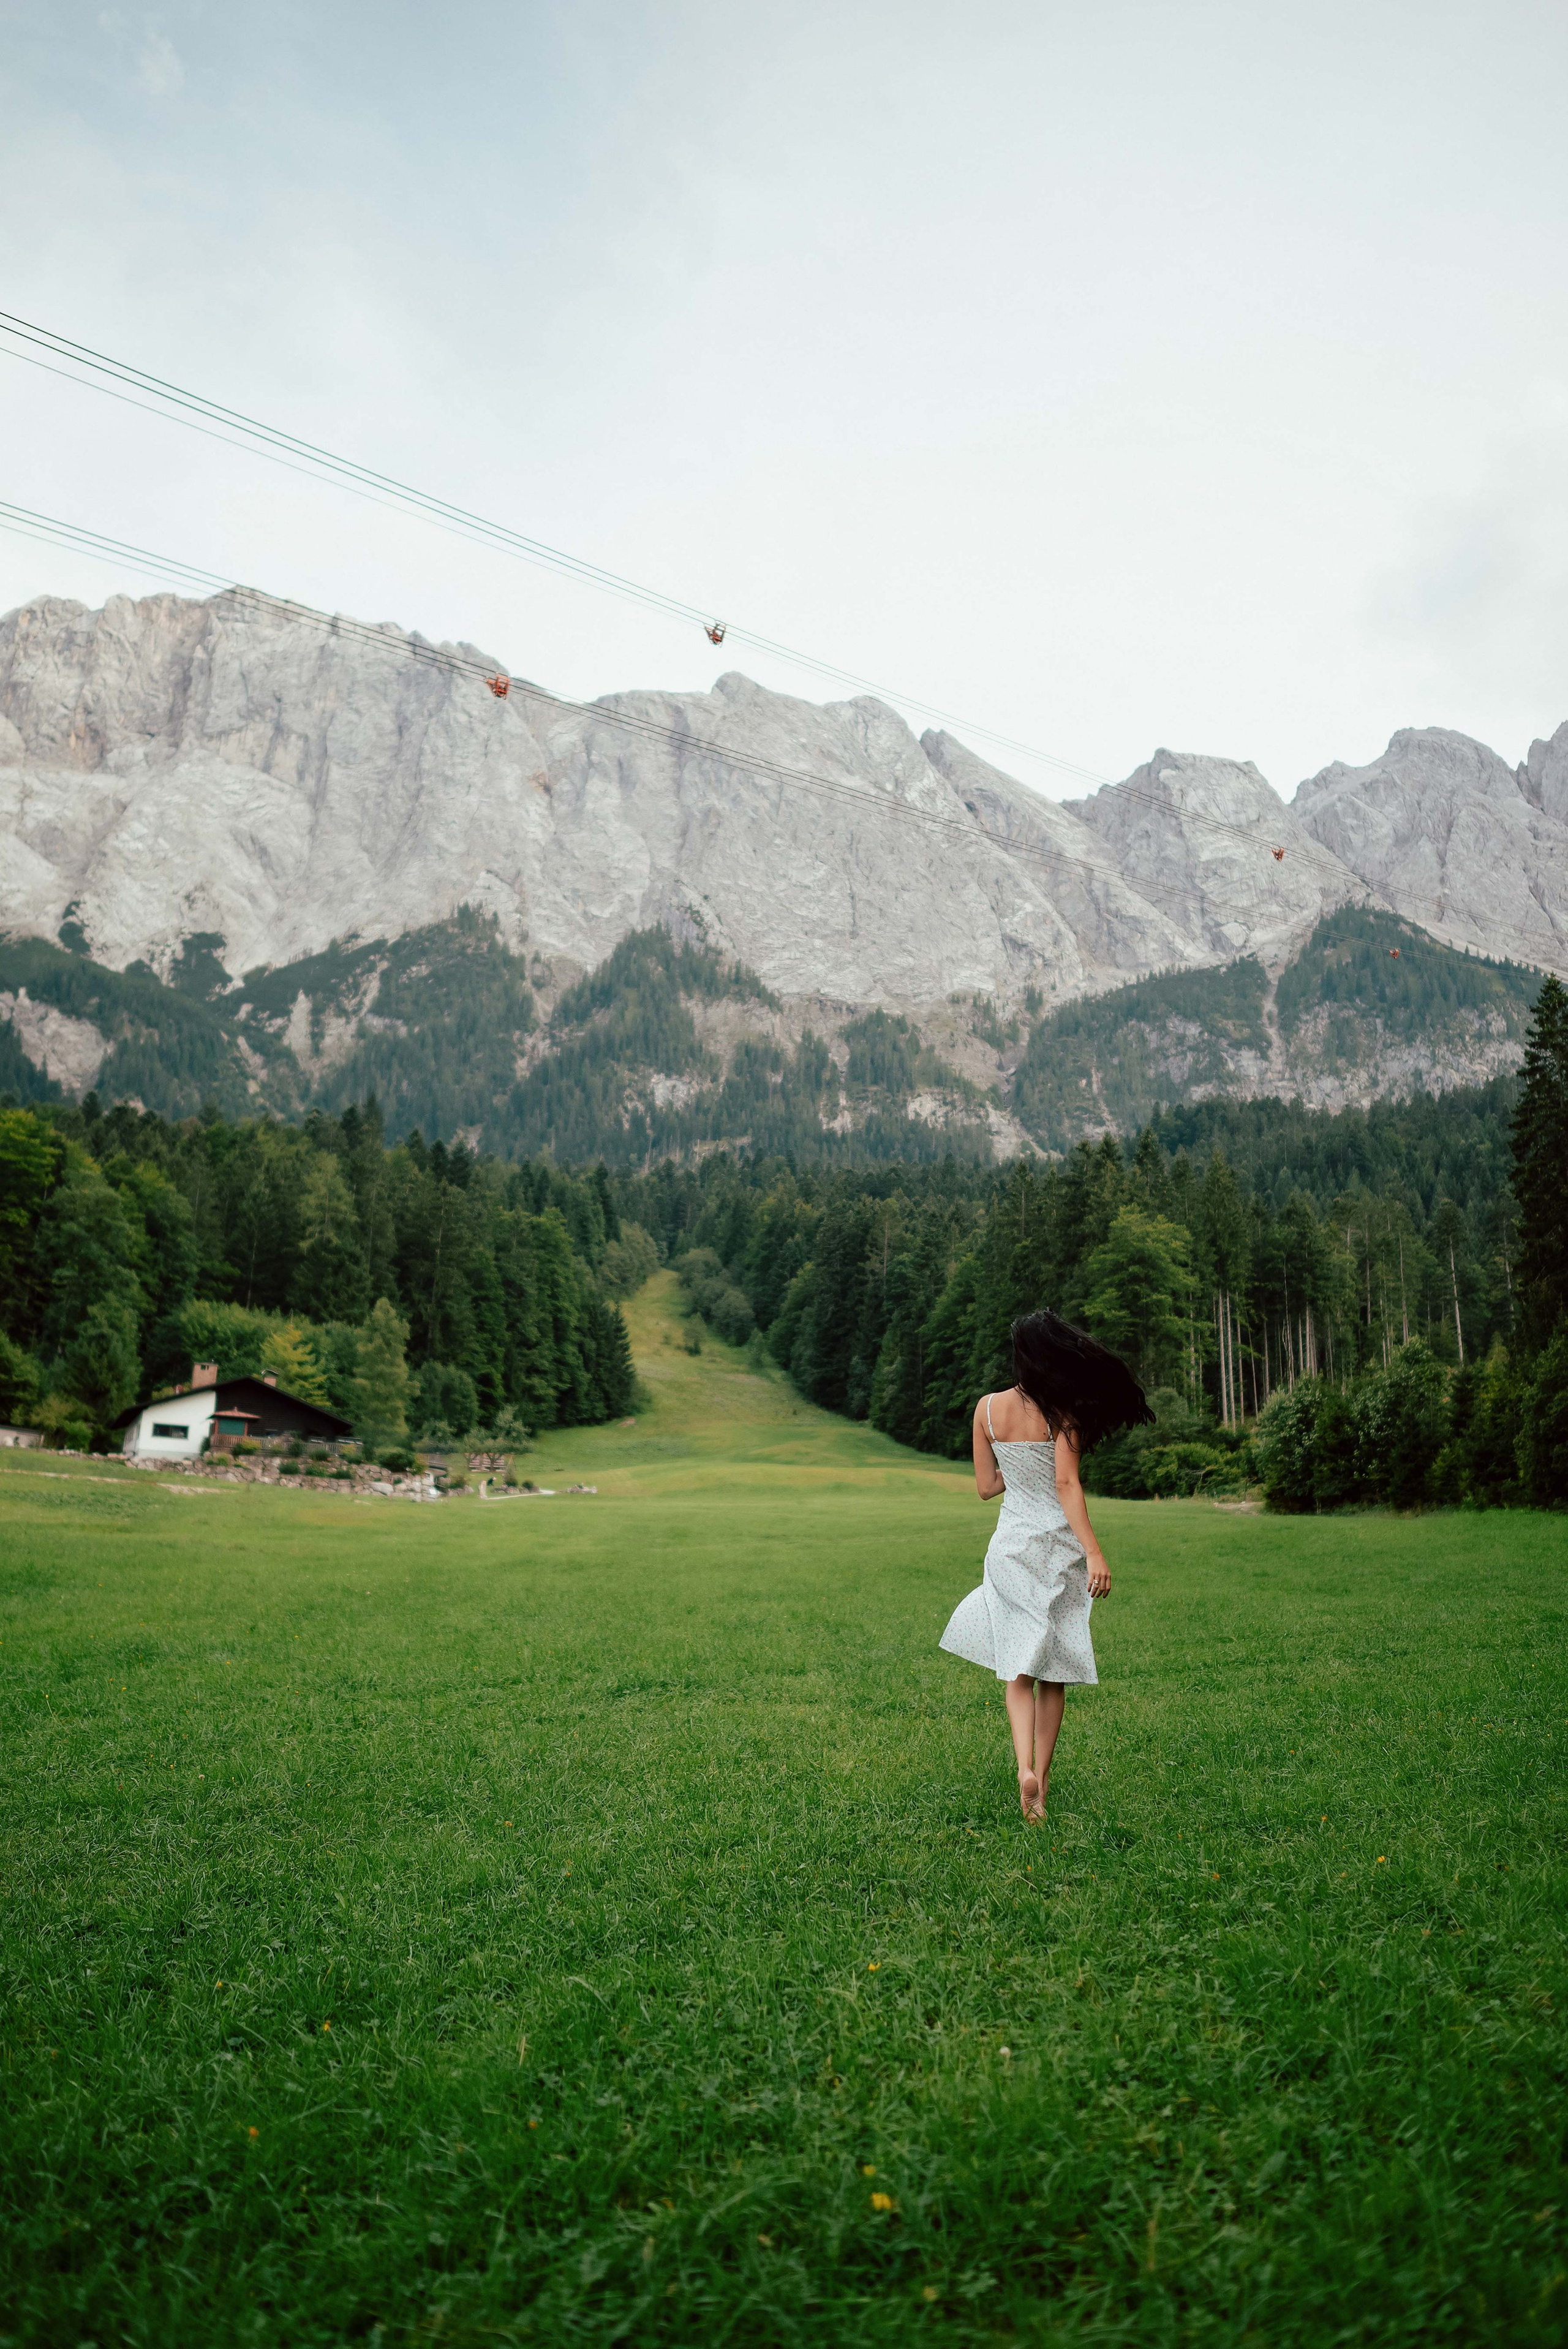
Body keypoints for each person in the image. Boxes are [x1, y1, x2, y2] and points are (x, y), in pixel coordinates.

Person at [940, 1309, 1151, 1819]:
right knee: (1053, 1671)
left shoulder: (986, 1409)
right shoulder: (1063, 1413)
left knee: (1017, 1669)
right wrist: (1095, 1552)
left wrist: (1019, 1470)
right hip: (1056, 1549)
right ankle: (1044, 1783)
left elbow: (987, 1487)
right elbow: (1066, 1485)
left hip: (1010, 1547)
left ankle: (1023, 1771)